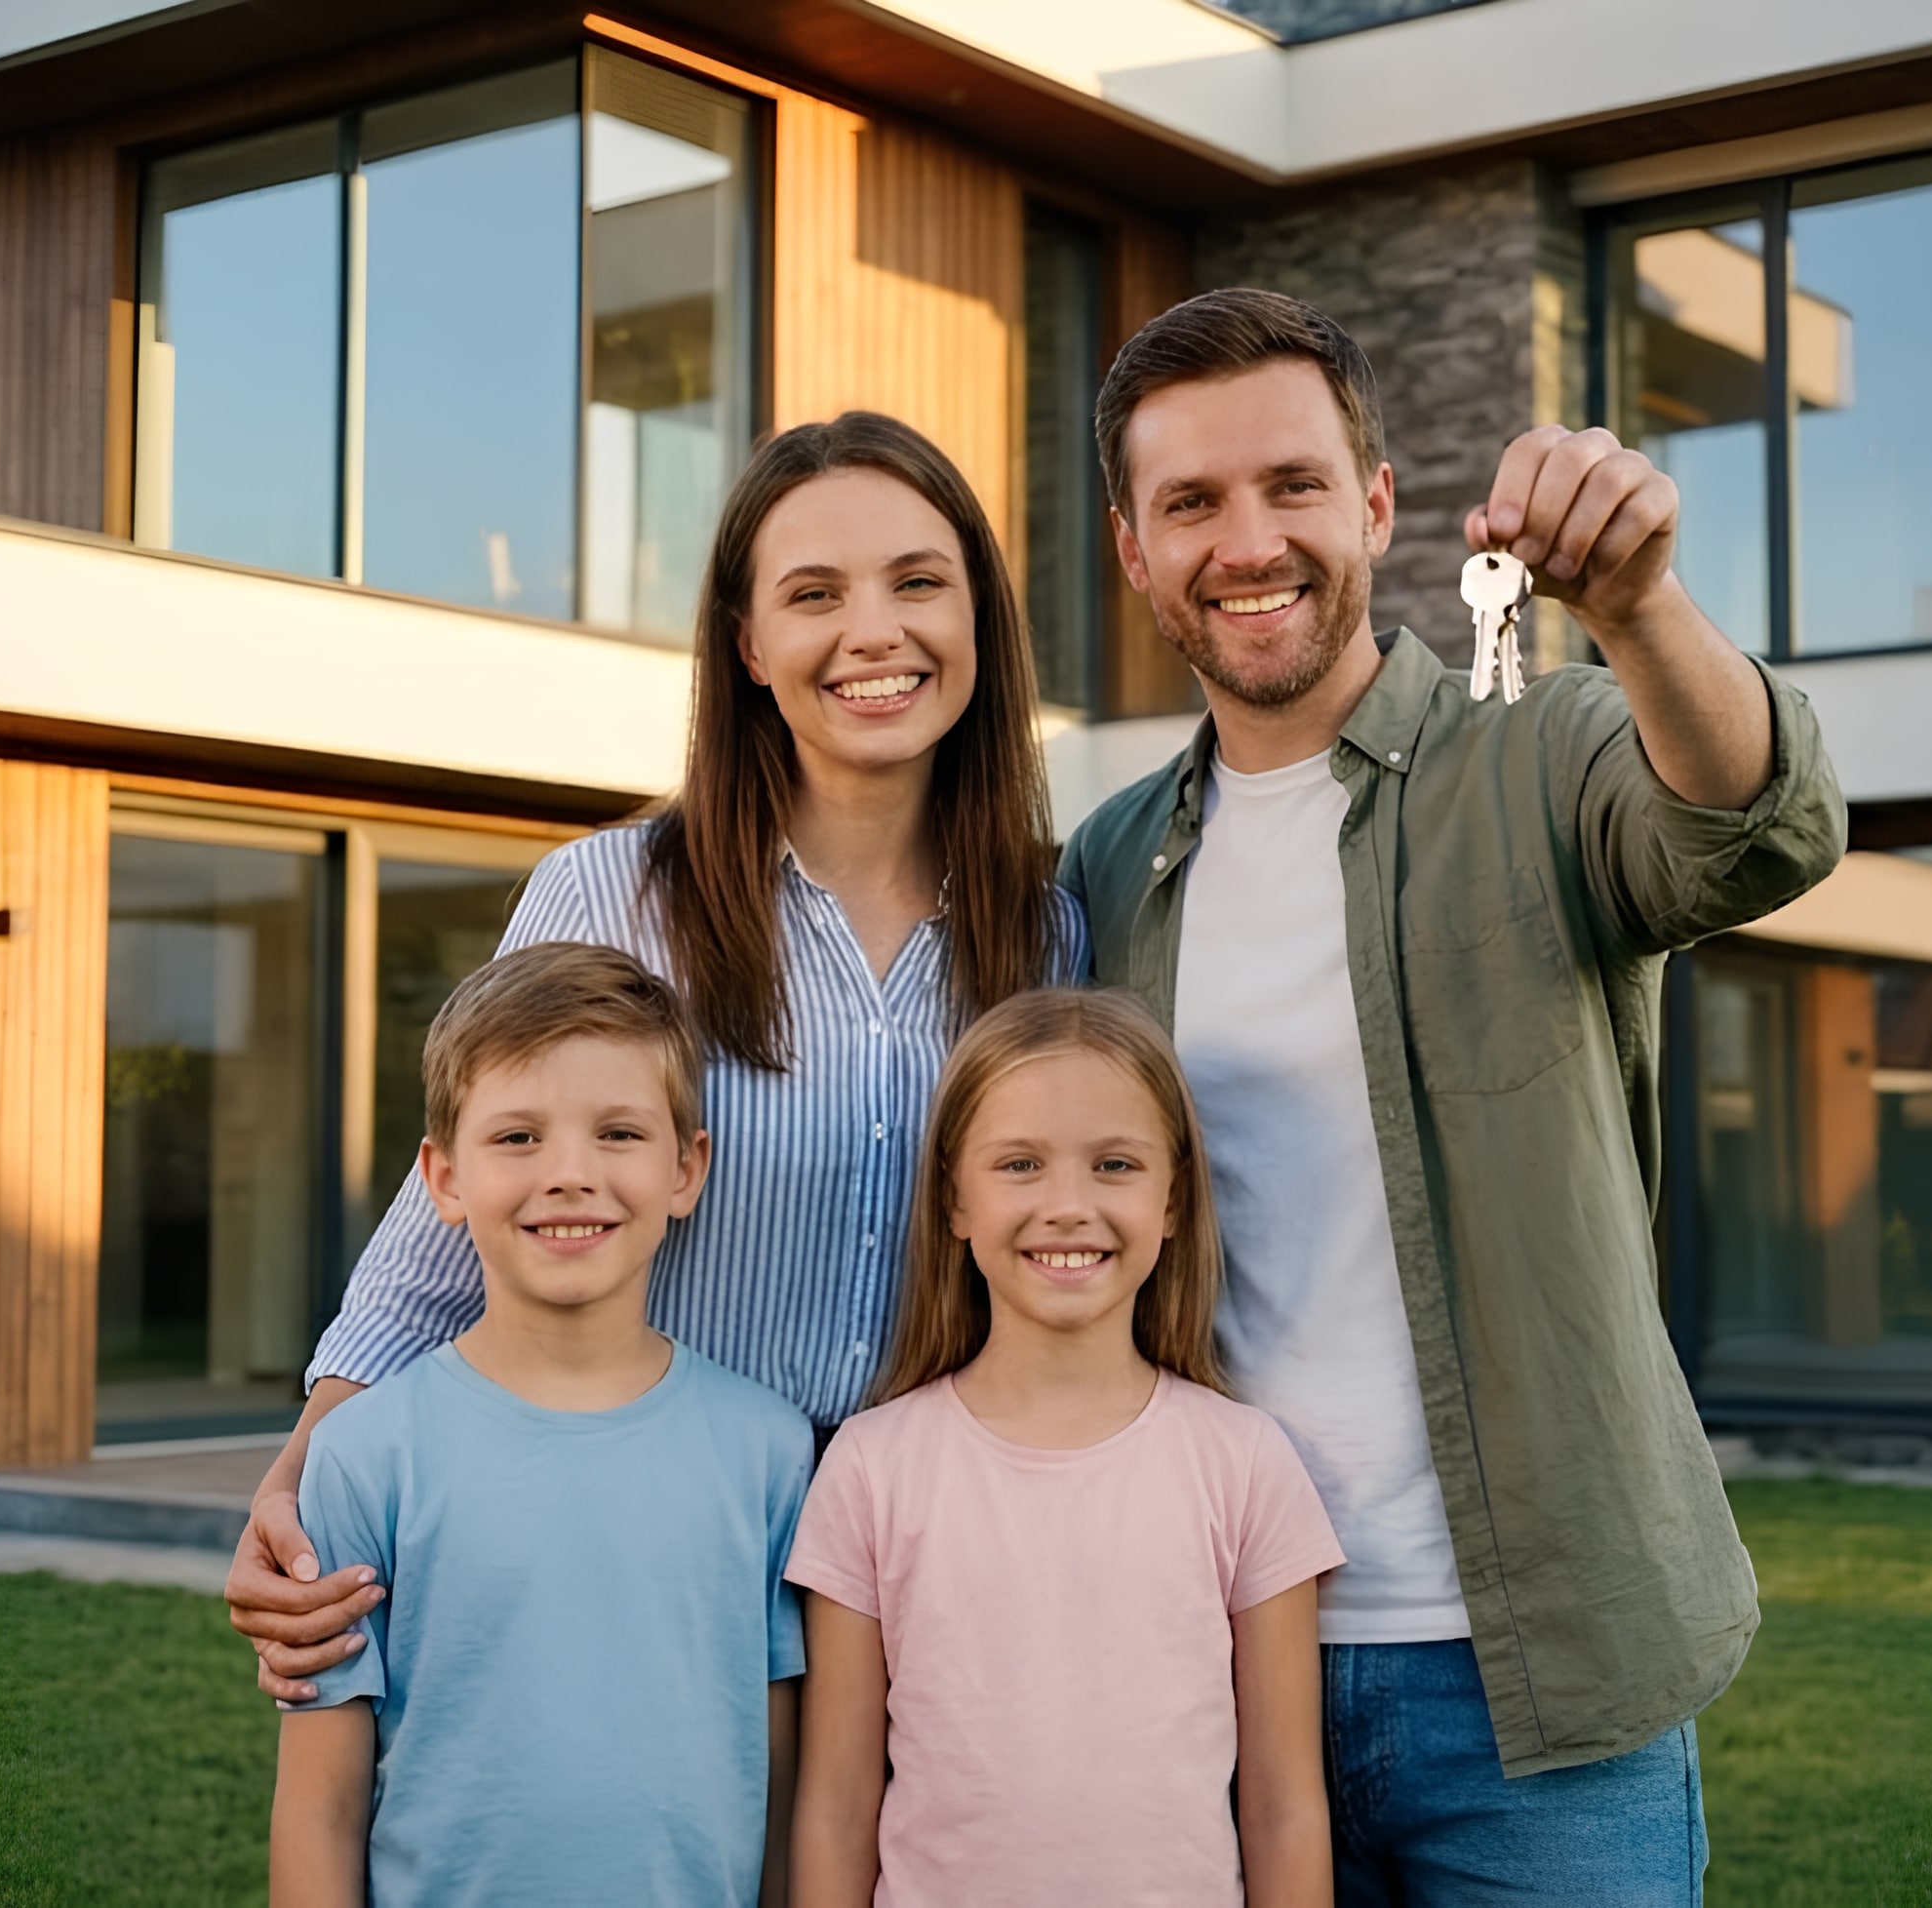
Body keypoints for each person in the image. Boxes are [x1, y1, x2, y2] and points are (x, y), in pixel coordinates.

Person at [1059, 288, 1846, 1902]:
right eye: (1190, 502)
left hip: (1539, 1687)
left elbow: (1758, 828)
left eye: (1290, 484)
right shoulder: (1110, 862)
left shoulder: (1543, 753)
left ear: (1373, 504)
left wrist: (1637, 606)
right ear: (1133, 552)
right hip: (1223, 1662)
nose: (1246, 541)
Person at [229, 413, 1080, 1696]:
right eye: (814, 594)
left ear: (979, 620)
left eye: (917, 582)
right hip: (648, 1541)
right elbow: (448, 1227)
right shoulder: (609, 895)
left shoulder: (1050, 935)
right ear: (748, 644)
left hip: (940, 1562)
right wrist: (303, 1474)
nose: (873, 631)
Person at [267, 941, 813, 1908]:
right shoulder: (363, 1455)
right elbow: (320, 1811)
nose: (568, 1174)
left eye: (618, 1133)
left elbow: (778, 1790)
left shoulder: (768, 1451)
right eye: (518, 1137)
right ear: (443, 1177)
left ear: (686, 1169)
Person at [785, 988, 1343, 1908]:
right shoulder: (870, 1468)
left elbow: (1284, 1809)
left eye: (1115, 1164)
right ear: (955, 1199)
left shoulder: (1246, 1465)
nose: (1069, 1206)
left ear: (1173, 1199)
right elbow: (837, 1811)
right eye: (1020, 1164)